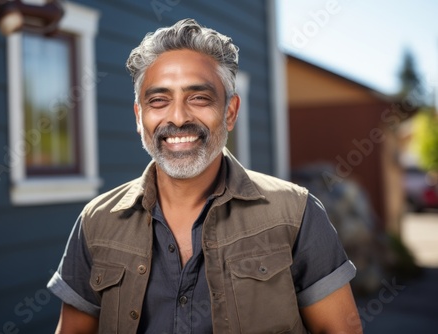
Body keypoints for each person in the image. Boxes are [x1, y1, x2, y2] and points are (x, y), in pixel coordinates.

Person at [47, 18, 362, 333]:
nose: (179, 117)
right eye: (158, 101)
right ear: (139, 117)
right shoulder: (96, 222)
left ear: (230, 112)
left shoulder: (297, 214)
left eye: (199, 98)